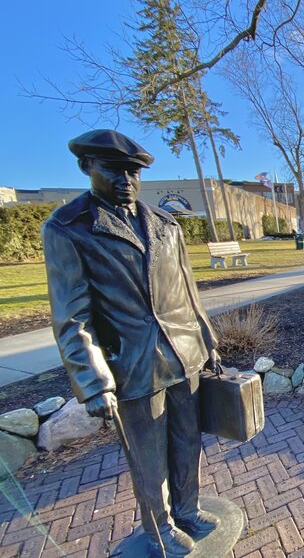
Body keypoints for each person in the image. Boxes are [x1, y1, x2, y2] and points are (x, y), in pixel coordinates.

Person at [42, 129, 220, 556]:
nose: (126, 180)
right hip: (133, 363)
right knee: (148, 458)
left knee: (187, 441)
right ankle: (159, 530)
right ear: (87, 167)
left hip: (184, 354)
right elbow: (71, 316)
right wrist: (93, 381)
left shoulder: (164, 223)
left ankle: (188, 509)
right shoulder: (69, 228)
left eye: (132, 172)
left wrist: (207, 339)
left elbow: (187, 290)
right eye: (113, 169)